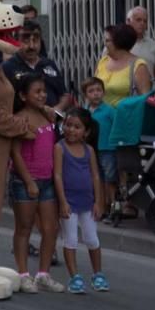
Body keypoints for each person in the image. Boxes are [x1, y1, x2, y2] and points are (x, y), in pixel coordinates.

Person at [9, 74, 64, 293]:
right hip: (25, 181)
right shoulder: (20, 119)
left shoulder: (49, 116)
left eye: (44, 91)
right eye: (37, 92)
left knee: (51, 228)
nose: (42, 95)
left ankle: (43, 273)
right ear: (23, 96)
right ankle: (23, 274)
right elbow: (15, 152)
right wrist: (29, 181)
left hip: (48, 180)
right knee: (24, 228)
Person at [54, 108, 108, 294]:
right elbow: (58, 175)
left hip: (87, 202)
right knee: (70, 239)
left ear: (86, 131)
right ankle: (74, 277)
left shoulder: (89, 150)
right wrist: (62, 202)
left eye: (77, 127)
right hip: (69, 202)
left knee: (92, 238)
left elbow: (95, 176)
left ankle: (98, 274)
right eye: (68, 125)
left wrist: (98, 201)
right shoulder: (60, 148)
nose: (71, 130)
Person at [2, 20, 72, 112]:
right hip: (24, 123)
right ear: (16, 41)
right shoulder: (7, 68)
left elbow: (64, 95)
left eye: (35, 40)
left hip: (51, 122)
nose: (31, 46)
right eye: (26, 41)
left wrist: (56, 110)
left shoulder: (49, 64)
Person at [81, 78, 117, 220]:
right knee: (97, 178)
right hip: (92, 150)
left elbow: (116, 127)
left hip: (108, 149)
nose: (95, 94)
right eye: (91, 91)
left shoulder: (109, 110)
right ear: (85, 95)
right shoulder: (85, 112)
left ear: (103, 92)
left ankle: (112, 206)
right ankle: (100, 207)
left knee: (110, 178)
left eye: (98, 90)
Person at [94, 23, 152, 107]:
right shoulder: (103, 61)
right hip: (100, 117)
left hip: (124, 117)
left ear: (118, 42)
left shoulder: (138, 65)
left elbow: (145, 99)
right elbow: (92, 87)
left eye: (107, 41)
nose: (105, 44)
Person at [127, 6, 155, 82]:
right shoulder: (117, 42)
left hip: (148, 90)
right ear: (128, 21)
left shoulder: (152, 44)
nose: (142, 23)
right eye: (138, 20)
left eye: (145, 21)